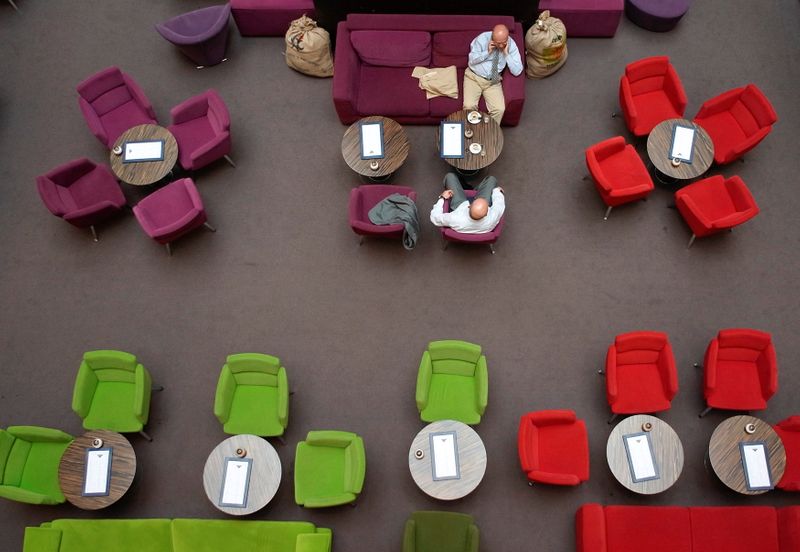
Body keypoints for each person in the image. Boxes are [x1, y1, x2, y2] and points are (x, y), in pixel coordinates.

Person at [463, 24, 523, 124]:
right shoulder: (482, 39)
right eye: (497, 43)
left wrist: (506, 54)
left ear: (507, 39)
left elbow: (517, 71)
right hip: (473, 77)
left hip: (493, 81)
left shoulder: (511, 45)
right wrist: (487, 52)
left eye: (503, 43)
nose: (500, 46)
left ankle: (489, 134)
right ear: (492, 37)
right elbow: (471, 61)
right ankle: (472, 132)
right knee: (469, 106)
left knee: (499, 109)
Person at [430, 173, 505, 234]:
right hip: (478, 225)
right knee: (491, 179)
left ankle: (466, 189)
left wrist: (442, 198)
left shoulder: (454, 218)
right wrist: (497, 191)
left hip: (460, 207)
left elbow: (434, 217)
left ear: (469, 205)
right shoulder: (493, 216)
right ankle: (474, 190)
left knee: (450, 176)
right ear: (486, 213)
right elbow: (499, 202)